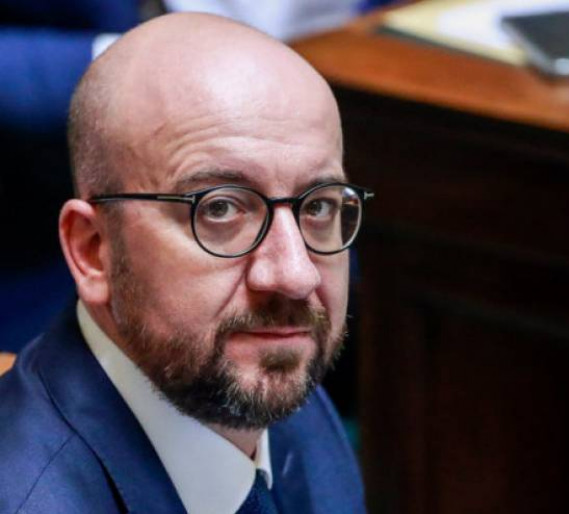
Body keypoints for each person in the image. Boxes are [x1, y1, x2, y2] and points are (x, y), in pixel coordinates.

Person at [0, 12, 372, 514]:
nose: (294, 275)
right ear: (93, 250)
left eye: (318, 206)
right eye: (219, 209)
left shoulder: (281, 394)